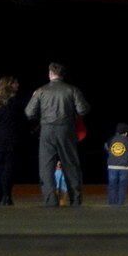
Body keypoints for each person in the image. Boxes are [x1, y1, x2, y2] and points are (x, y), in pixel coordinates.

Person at [25, 63, 91, 207]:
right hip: (66, 130)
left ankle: (50, 200)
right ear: (63, 75)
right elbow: (83, 109)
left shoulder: (41, 91)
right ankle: (75, 199)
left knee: (46, 167)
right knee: (71, 165)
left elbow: (29, 113)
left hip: (47, 130)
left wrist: (41, 114)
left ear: (50, 74)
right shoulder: (72, 90)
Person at [0, 76, 27, 206]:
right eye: (15, 82)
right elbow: (24, 116)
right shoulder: (14, 101)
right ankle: (7, 196)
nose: (18, 84)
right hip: (10, 137)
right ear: (9, 85)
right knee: (8, 168)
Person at [104, 123, 128, 206]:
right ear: (125, 133)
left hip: (112, 166)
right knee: (122, 186)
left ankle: (112, 203)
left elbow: (106, 148)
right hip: (125, 167)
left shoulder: (110, 140)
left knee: (112, 185)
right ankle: (120, 203)